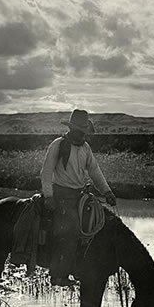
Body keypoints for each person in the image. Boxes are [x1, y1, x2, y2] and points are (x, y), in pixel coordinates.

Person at [41, 109, 116, 286]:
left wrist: (107, 191)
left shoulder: (85, 148)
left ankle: (81, 266)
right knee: (71, 231)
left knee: (97, 225)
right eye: (78, 131)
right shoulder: (58, 145)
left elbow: (95, 171)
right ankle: (59, 275)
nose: (81, 134)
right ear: (71, 129)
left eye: (83, 131)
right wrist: (49, 196)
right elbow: (46, 172)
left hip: (80, 195)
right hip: (62, 196)